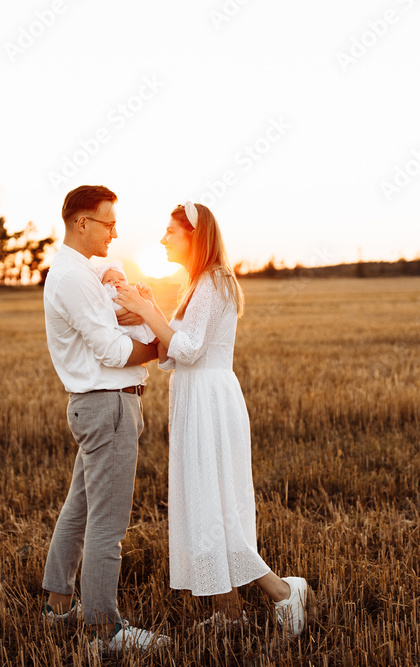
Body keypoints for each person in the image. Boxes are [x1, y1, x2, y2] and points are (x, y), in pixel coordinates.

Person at [113, 201, 309, 637]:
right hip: (195, 399)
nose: (163, 238)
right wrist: (150, 309)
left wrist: (148, 313)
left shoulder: (215, 281)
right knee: (202, 505)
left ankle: (283, 592)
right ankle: (232, 614)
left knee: (216, 507)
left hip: (211, 402)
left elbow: (188, 350)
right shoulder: (196, 284)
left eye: (171, 231)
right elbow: (172, 350)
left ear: (194, 236)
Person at [40, 185, 170, 654]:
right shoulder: (73, 279)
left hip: (94, 405)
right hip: (109, 404)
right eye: (108, 223)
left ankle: (57, 609)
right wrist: (161, 344)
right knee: (107, 526)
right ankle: (104, 630)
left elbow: (97, 267)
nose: (115, 232)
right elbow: (114, 351)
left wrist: (111, 270)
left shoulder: (76, 268)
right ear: (81, 223)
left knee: (79, 509)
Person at [95, 260, 157, 345]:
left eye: (121, 279)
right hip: (121, 334)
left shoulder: (131, 292)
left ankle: (164, 358)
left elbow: (147, 304)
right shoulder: (105, 296)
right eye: (109, 280)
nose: (117, 281)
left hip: (139, 329)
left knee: (159, 341)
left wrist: (142, 292)